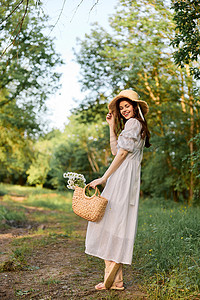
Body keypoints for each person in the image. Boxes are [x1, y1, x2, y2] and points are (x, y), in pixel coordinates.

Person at [86, 89, 151, 290]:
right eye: (121, 107)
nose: (124, 110)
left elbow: (121, 154)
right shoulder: (135, 126)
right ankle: (117, 281)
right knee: (117, 221)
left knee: (107, 221)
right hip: (128, 178)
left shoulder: (133, 124)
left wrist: (104, 177)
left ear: (135, 106)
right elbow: (116, 150)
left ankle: (112, 270)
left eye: (127, 106)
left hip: (121, 177)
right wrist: (112, 126)